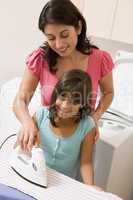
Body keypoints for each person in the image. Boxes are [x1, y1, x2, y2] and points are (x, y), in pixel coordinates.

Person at [13, 0, 114, 151]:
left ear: (78, 27)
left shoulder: (100, 59)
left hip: (79, 142)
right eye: (51, 38)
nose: (59, 44)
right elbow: (20, 100)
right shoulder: (40, 59)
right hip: (45, 138)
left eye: (64, 35)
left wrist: (95, 117)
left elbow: (108, 92)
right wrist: (27, 122)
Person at [33, 69, 96, 186]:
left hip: (64, 184)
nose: (65, 106)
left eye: (74, 102)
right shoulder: (40, 115)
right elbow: (24, 146)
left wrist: (90, 187)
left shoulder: (87, 125)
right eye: (62, 98)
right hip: (37, 175)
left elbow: (85, 163)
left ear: (82, 104)